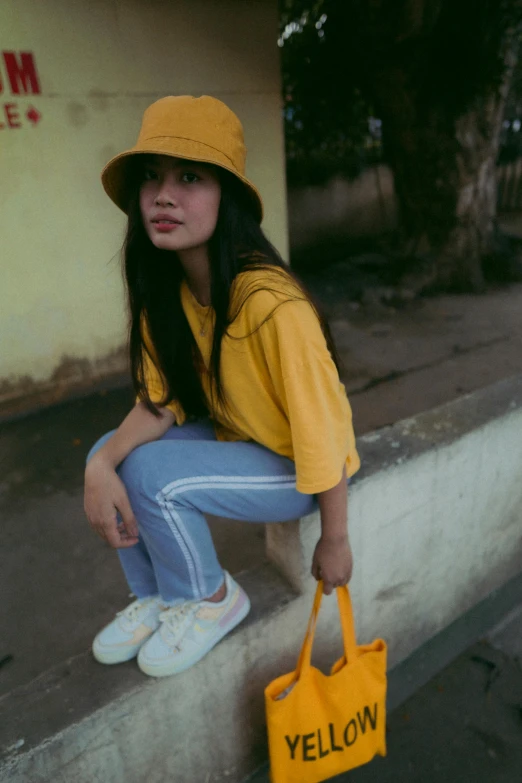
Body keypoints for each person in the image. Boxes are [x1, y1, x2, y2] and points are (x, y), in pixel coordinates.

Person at [84, 95, 360, 678]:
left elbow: (324, 429)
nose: (163, 195)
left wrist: (335, 537)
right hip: (242, 441)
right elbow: (160, 406)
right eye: (151, 178)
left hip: (298, 468)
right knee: (112, 454)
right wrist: (99, 464)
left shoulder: (271, 304)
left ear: (226, 198)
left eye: (190, 177)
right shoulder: (168, 292)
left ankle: (210, 598)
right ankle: (163, 594)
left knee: (152, 477)